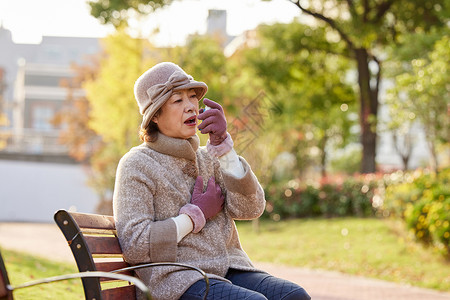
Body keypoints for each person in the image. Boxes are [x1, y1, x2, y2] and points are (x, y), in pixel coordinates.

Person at [113, 62, 311, 300]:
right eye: (178, 101)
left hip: (229, 268)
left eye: (193, 97)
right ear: (154, 115)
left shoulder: (210, 157)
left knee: (294, 296)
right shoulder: (136, 164)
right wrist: (195, 215)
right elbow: (135, 244)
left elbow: (251, 209)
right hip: (176, 279)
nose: (190, 107)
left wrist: (225, 149)